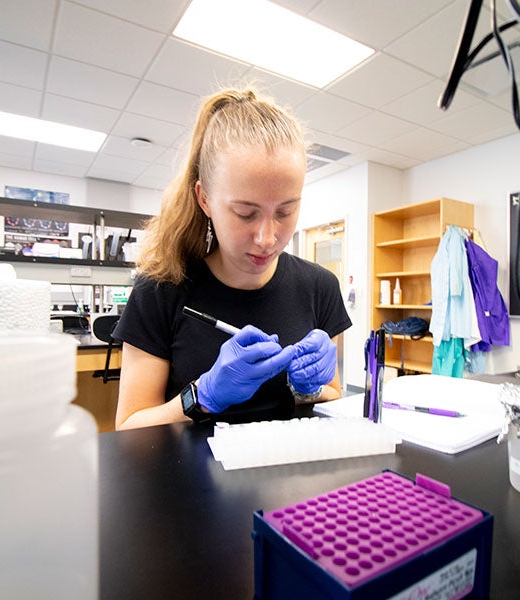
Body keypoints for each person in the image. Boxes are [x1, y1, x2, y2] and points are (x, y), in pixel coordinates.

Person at [113, 87, 352, 429]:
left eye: (285, 211)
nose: (267, 238)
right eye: (245, 213)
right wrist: (203, 396)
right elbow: (129, 425)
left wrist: (308, 390)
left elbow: (332, 395)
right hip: (188, 480)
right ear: (205, 199)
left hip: (290, 477)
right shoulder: (161, 289)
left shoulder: (320, 287)